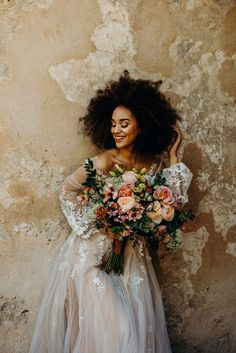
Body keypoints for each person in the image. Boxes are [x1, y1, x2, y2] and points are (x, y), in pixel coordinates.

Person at [29, 71, 192, 353]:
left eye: (124, 124)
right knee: (120, 328)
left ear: (142, 124)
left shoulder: (153, 163)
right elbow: (67, 191)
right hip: (94, 255)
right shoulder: (104, 161)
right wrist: (98, 224)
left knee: (131, 333)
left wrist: (174, 157)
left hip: (131, 259)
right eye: (114, 123)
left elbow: (171, 202)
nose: (116, 130)